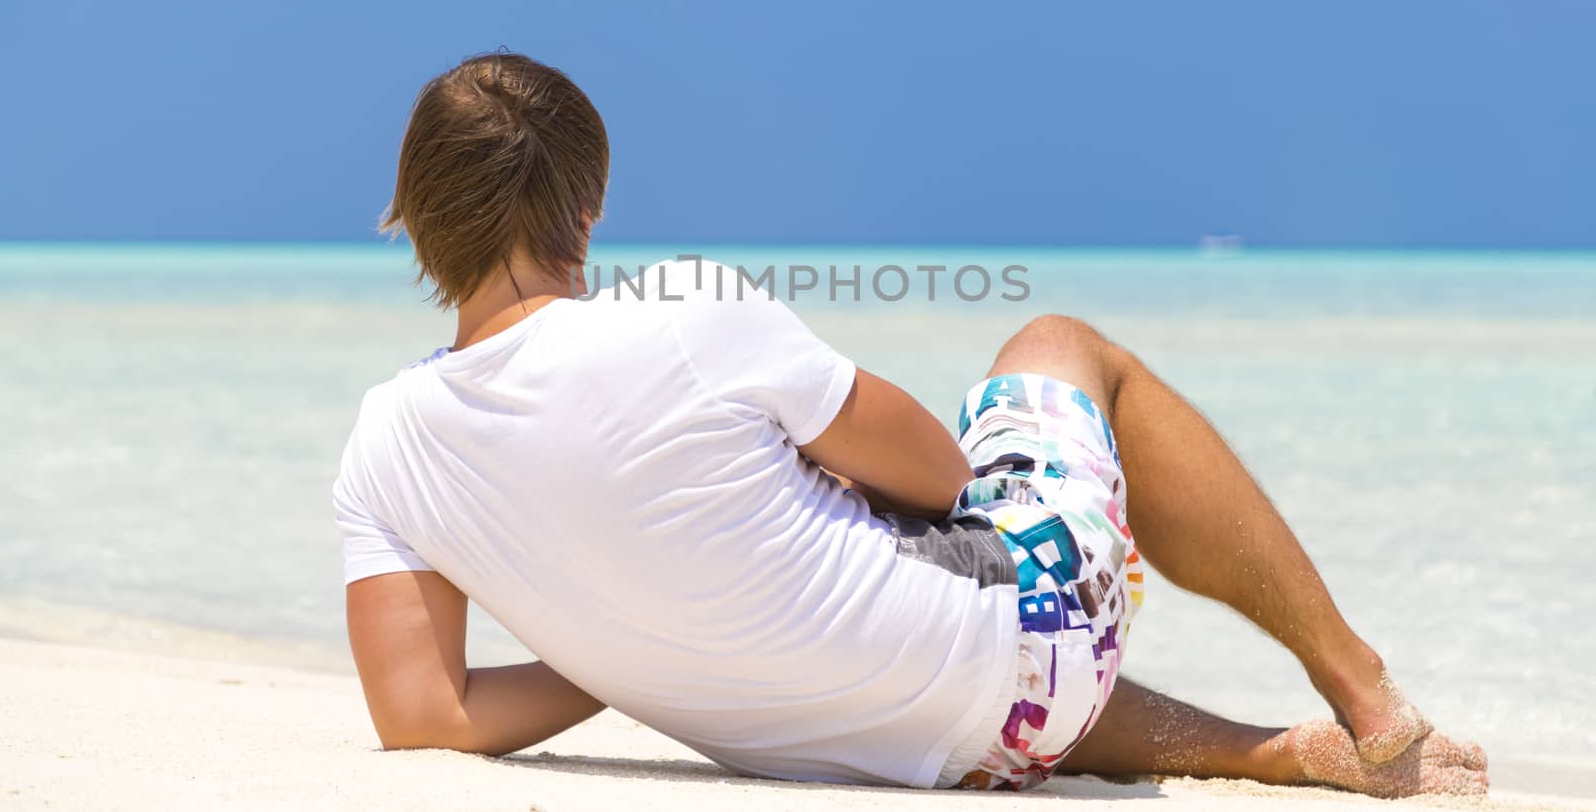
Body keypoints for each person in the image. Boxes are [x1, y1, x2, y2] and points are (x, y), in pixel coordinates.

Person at [333, 53, 1486, 796]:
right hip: (1022, 657)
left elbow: (427, 712)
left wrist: (620, 634)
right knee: (1058, 349)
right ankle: (1365, 693)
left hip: (915, 739)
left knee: (877, 618)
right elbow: (940, 476)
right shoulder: (682, 307)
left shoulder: (385, 445)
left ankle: (1262, 751)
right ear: (588, 209)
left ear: (415, 218)